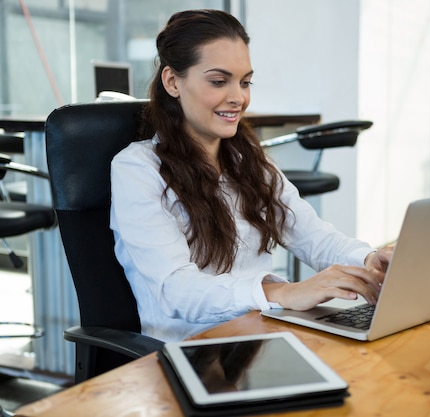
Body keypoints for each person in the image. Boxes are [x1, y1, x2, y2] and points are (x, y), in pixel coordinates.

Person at [110, 9, 394, 342]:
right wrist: (281, 293)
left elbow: (313, 235)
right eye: (219, 81)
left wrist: (369, 259)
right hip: (190, 351)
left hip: (262, 334)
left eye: (245, 82)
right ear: (173, 81)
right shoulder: (137, 169)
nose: (239, 97)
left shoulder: (248, 161)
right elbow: (177, 290)